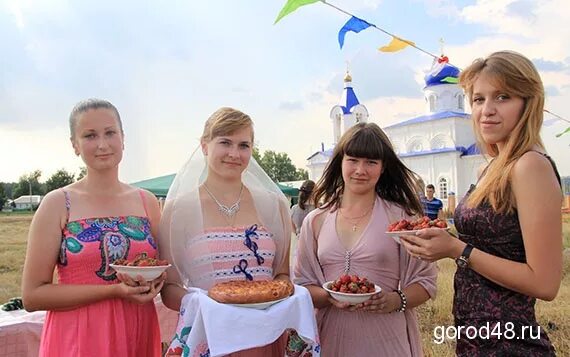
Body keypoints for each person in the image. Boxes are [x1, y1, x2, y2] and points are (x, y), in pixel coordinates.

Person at [401, 51, 562, 356]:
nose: (487, 110)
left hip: (511, 343)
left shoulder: (529, 166)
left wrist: (456, 249)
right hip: (476, 337)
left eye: (502, 97)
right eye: (478, 99)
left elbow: (545, 283)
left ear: (528, 103)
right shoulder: (490, 167)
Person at [159, 107, 312, 356]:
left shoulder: (274, 205)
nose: (234, 153)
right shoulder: (179, 210)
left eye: (244, 145)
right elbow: (169, 288)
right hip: (208, 337)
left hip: (263, 339)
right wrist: (205, 305)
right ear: (205, 145)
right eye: (225, 143)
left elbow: (282, 276)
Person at [21, 99, 164, 357]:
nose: (102, 144)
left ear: (123, 138)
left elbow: (162, 267)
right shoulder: (57, 203)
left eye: (110, 133)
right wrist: (113, 290)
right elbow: (32, 295)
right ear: (75, 145)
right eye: (90, 135)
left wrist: (156, 283)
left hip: (137, 328)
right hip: (78, 336)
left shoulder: (147, 202)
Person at [294, 122, 437, 356]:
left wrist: (394, 300)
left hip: (386, 340)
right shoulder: (315, 221)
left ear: (383, 168)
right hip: (331, 340)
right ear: (340, 162)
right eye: (353, 160)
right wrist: (330, 295)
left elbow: (426, 281)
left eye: (371, 162)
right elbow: (302, 286)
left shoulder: (402, 218)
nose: (361, 170)